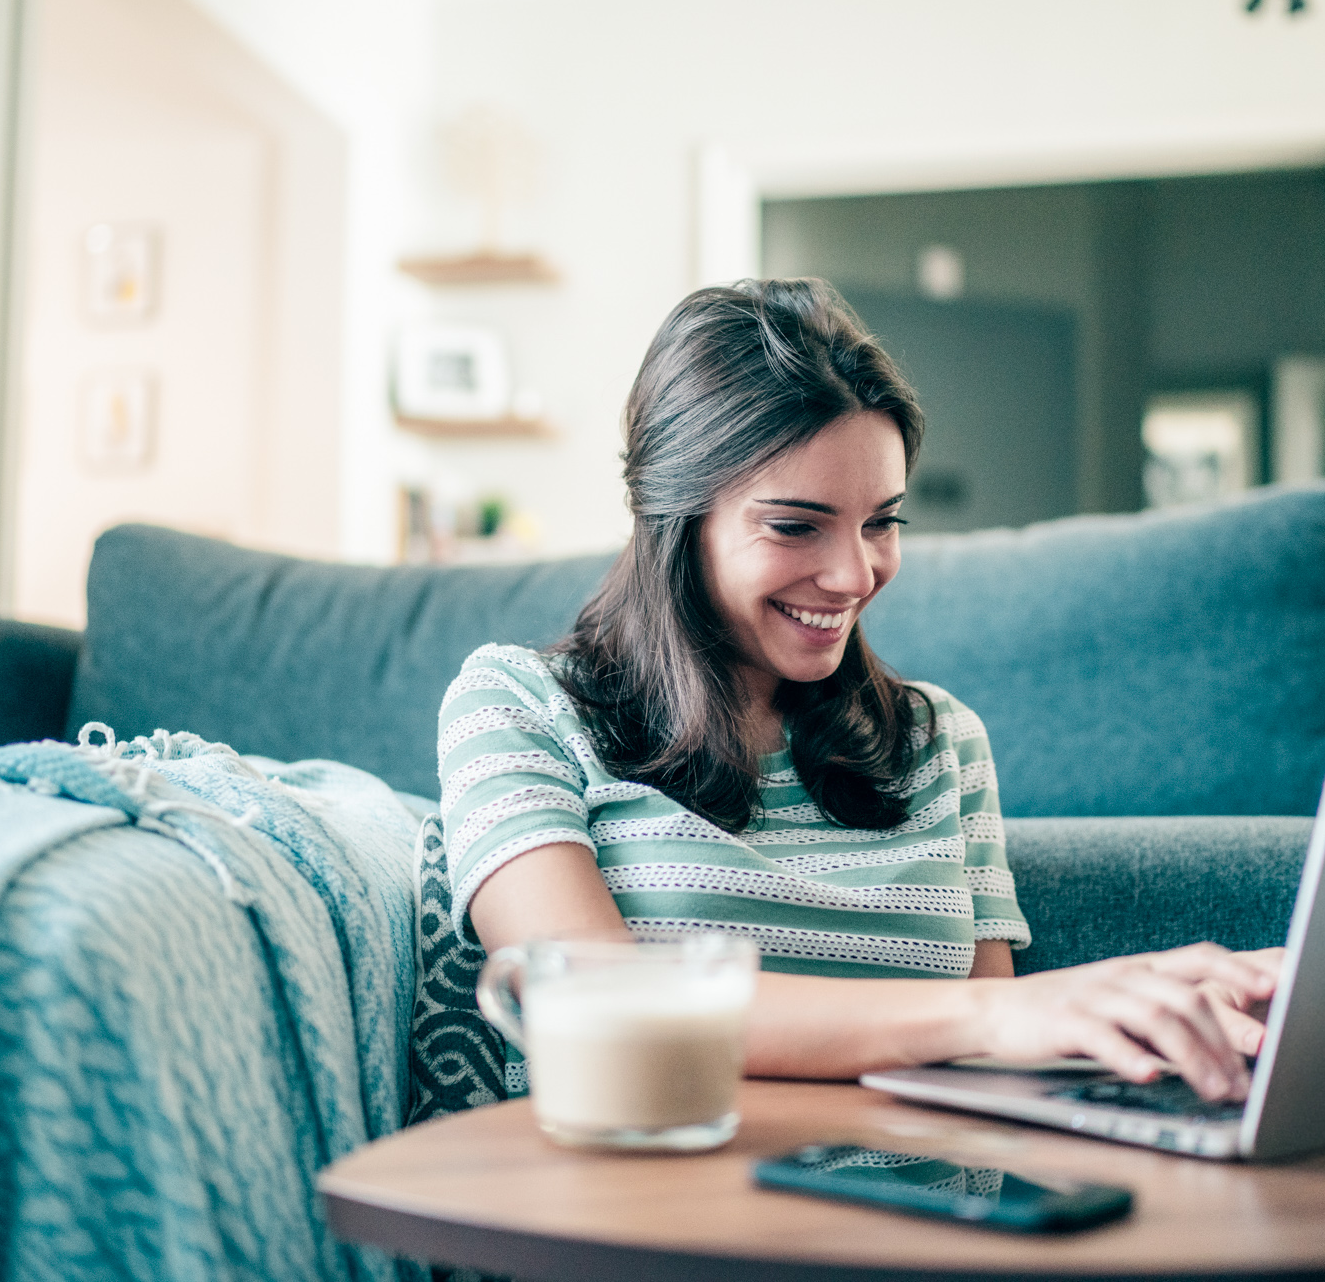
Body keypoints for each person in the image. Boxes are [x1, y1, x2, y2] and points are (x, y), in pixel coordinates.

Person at [439, 278, 1281, 1102]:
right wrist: (998, 1009)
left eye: (882, 520)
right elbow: (590, 1005)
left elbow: (992, 1069)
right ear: (674, 517)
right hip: (646, 1211)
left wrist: (1147, 1022)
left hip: (929, 1220)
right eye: (795, 525)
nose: (854, 573)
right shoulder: (517, 707)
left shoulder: (940, 740)